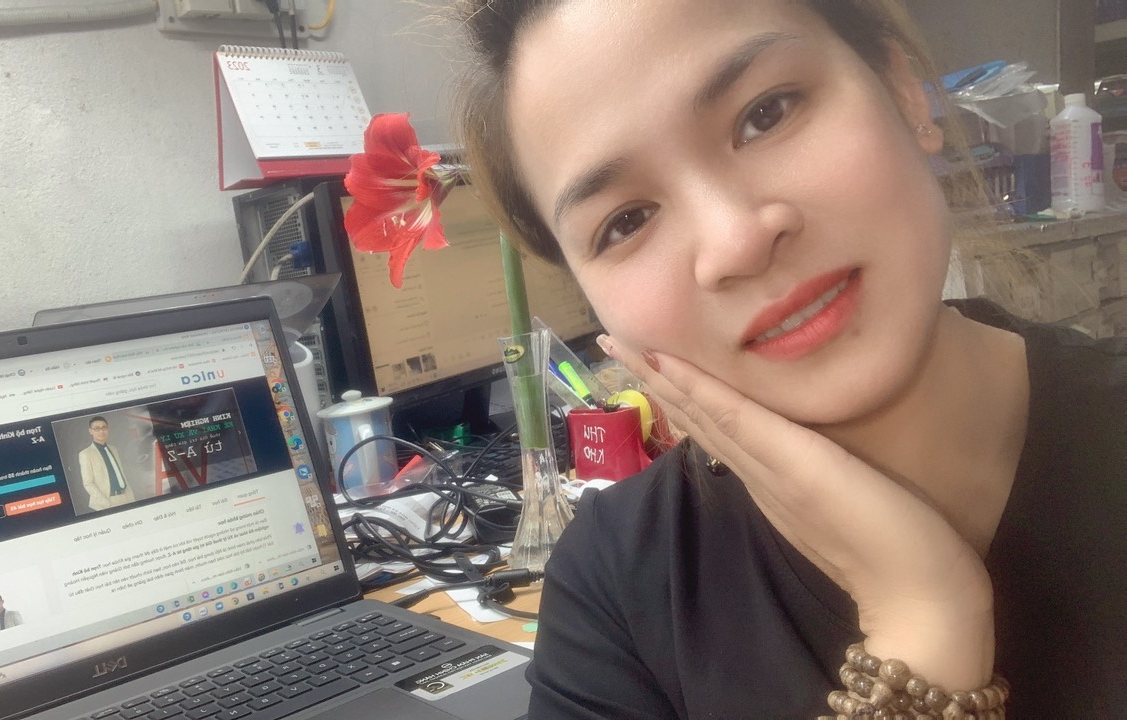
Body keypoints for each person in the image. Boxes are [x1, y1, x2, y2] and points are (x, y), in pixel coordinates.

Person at [451, 1, 1126, 717]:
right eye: (627, 221)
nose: (736, 241)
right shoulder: (616, 584)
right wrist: (924, 616)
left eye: (766, 114)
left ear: (903, 90)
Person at [78, 415, 136, 512]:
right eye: (97, 428)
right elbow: (88, 483)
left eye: (104, 427)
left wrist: (130, 497)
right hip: (106, 502)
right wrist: (105, 502)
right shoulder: (86, 454)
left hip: (126, 498)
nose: (101, 431)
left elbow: (121, 474)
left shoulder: (113, 449)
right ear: (90, 431)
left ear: (108, 429)